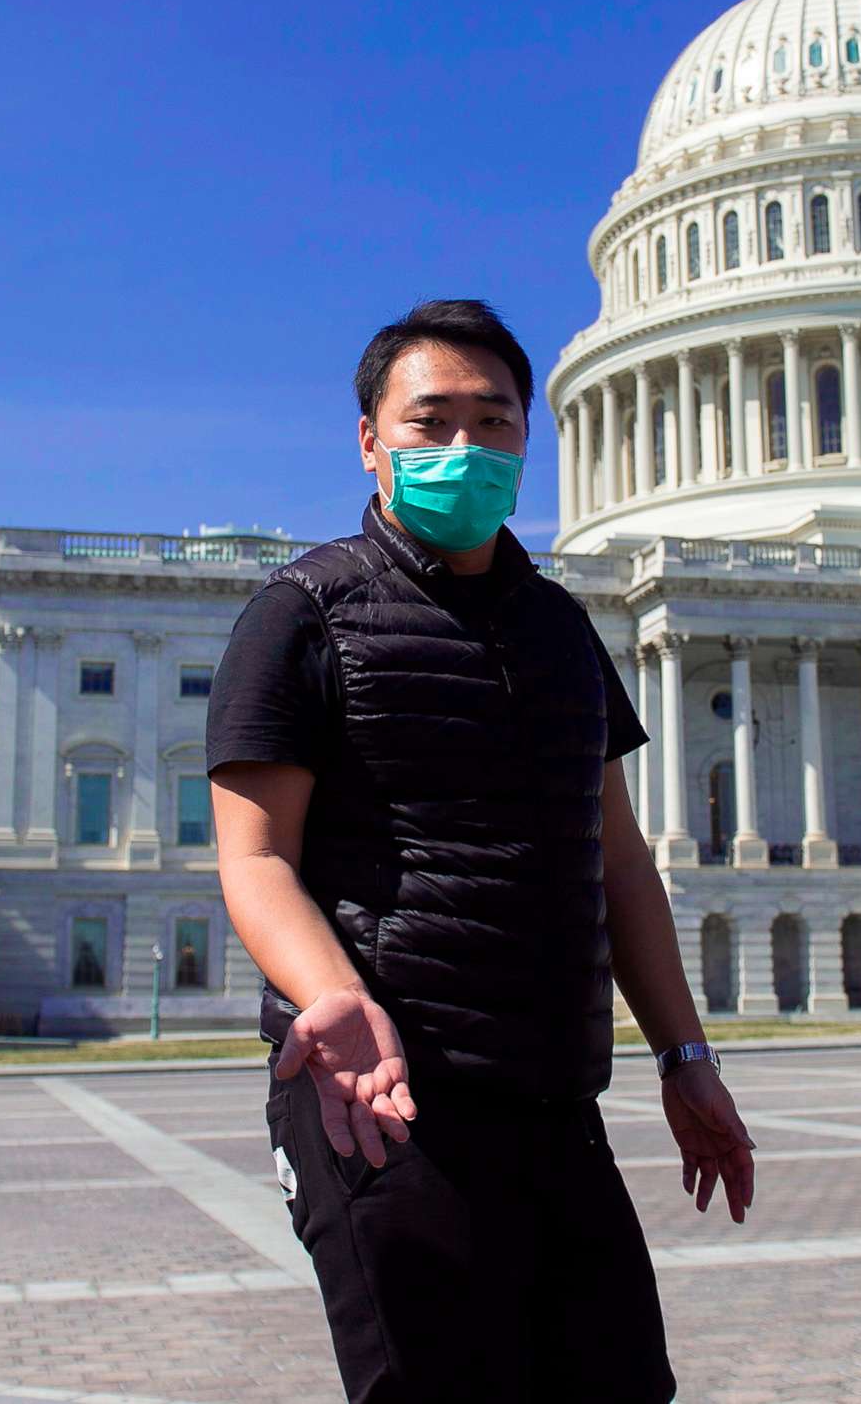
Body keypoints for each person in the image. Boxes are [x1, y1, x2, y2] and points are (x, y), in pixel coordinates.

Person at [209, 299, 754, 1404]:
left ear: (526, 441)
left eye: (493, 422)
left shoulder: (560, 627)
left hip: (553, 1095)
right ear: (371, 440)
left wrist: (685, 1058)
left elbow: (620, 863)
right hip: (385, 1096)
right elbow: (255, 856)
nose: (464, 449)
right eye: (431, 421)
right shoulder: (300, 614)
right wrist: (337, 998)